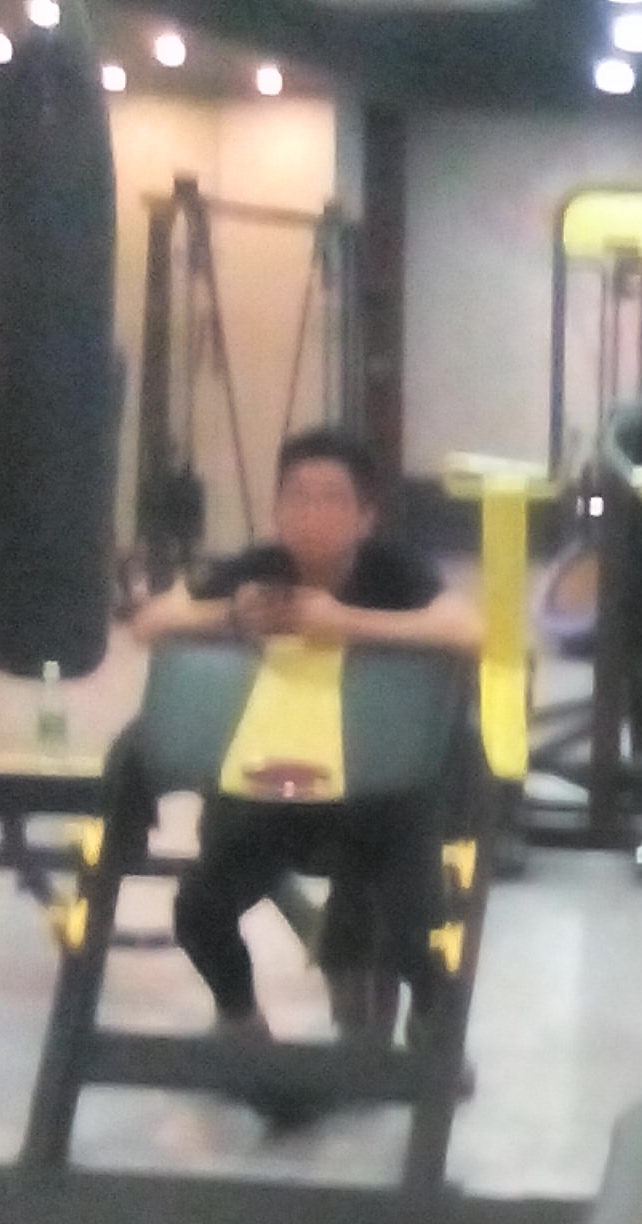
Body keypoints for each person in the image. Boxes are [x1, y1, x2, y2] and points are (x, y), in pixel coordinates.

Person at [133, 427, 482, 1044]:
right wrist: (231, 615)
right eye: (297, 496)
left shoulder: (393, 571)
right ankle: (241, 1021)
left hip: (381, 801)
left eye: (332, 499)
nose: (312, 513)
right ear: (276, 509)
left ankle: (429, 1034)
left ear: (366, 516)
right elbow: (150, 622)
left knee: (418, 934)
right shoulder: (258, 570)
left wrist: (343, 622)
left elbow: (467, 630)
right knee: (198, 910)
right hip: (273, 794)